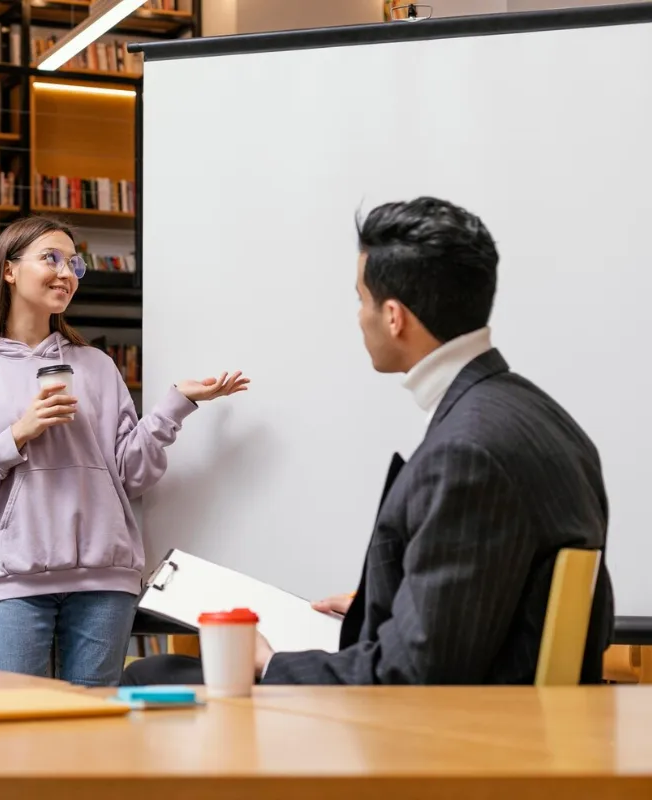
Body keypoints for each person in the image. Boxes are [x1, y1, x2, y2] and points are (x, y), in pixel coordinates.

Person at [122, 195, 613, 686]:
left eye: (362, 299)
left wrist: (270, 663)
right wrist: (393, 604)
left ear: (394, 316)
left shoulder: (468, 453)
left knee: (153, 674)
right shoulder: (542, 417)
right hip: (501, 713)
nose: (359, 315)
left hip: (457, 739)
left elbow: (412, 677)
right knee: (164, 669)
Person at [0, 215, 249, 687]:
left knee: (96, 741)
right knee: (12, 738)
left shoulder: (96, 366)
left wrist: (178, 403)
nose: (67, 272)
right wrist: (16, 435)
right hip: (13, 585)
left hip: (105, 583)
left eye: (74, 263)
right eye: (50, 259)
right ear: (9, 270)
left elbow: (131, 474)